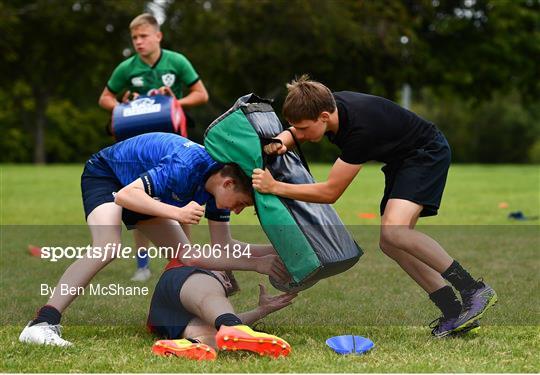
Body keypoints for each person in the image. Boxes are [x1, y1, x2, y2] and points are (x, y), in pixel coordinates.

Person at [252, 75, 498, 338]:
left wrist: (275, 187)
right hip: (401, 161)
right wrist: (281, 141)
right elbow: (294, 131)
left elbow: (330, 191)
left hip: (425, 153)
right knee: (390, 242)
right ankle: (452, 310)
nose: (298, 135)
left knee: (395, 231)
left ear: (324, 116)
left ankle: (473, 289)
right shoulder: (326, 105)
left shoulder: (360, 130)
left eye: (302, 130)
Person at [19, 132, 289, 346]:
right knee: (107, 247)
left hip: (144, 193)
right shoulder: (187, 165)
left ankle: (43, 325)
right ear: (228, 184)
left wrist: (277, 252)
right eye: (241, 203)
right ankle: (42, 324)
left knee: (188, 255)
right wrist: (177, 212)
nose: (239, 210)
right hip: (108, 176)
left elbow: (223, 248)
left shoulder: (219, 189)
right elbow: (125, 196)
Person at [98, 13, 210, 282]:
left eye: (144, 36)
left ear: (158, 36)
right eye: (134, 37)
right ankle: (142, 265)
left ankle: (183, 261)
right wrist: (126, 108)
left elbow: (202, 95)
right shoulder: (127, 68)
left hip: (174, 143)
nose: (138, 42)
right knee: (144, 203)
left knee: (183, 201)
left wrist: (174, 104)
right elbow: (105, 98)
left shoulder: (176, 61)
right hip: (141, 147)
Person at [149, 257, 295, 360]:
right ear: (224, 278)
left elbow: (226, 330)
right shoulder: (204, 264)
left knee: (212, 332)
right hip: (182, 276)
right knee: (212, 303)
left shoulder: (210, 307)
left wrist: (261, 311)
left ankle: (189, 345)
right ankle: (233, 325)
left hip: (161, 316)